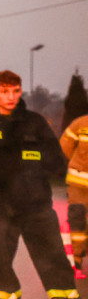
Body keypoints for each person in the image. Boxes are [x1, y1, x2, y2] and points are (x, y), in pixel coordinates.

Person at [0, 70, 79, 299]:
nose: (11, 97)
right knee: (0, 258)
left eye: (15, 91)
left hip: (36, 205)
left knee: (52, 255)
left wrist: (35, 163)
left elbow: (56, 161)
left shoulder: (35, 123)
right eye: (4, 91)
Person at [61, 112, 88, 273]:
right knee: (77, 219)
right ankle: (76, 257)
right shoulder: (80, 124)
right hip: (78, 184)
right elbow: (64, 147)